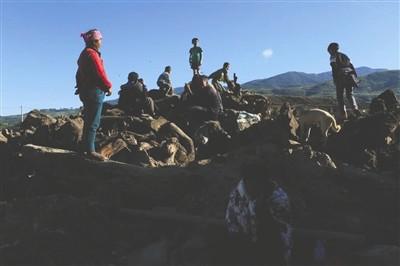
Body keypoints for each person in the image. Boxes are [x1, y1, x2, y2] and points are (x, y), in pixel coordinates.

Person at [225, 161, 292, 265]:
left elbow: (281, 231)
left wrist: (261, 208)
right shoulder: (237, 196)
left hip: (271, 249)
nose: (255, 186)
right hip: (244, 246)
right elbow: (232, 223)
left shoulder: (279, 198)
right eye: (251, 182)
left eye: (259, 182)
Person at [75, 29, 112, 161]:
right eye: (100, 39)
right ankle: (90, 151)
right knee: (94, 122)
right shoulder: (92, 54)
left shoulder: (84, 54)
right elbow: (100, 73)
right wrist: (108, 86)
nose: (101, 42)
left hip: (86, 91)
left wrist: (79, 86)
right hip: (94, 92)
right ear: (94, 41)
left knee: (88, 120)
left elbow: (78, 74)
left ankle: (83, 148)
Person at [327, 42, 361, 121]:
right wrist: (355, 77)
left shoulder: (333, 56)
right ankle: (355, 110)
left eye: (329, 51)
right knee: (350, 94)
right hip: (350, 76)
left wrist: (335, 79)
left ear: (331, 50)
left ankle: (343, 114)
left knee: (340, 96)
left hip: (341, 77)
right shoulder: (345, 56)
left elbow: (334, 67)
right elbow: (351, 66)